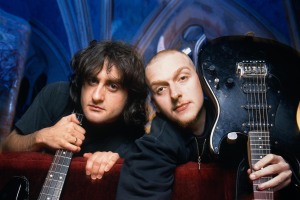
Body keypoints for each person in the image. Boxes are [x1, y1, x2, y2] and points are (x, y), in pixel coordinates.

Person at [116, 49, 300, 199]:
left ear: (202, 81)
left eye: (182, 78)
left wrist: (290, 171)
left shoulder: (244, 118)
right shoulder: (154, 145)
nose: (175, 94)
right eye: (161, 89)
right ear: (154, 103)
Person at [0, 40, 148, 180]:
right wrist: (42, 137)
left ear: (130, 95)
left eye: (113, 86)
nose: (97, 96)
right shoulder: (56, 95)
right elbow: (6, 147)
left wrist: (116, 164)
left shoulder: (137, 139)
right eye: (92, 80)